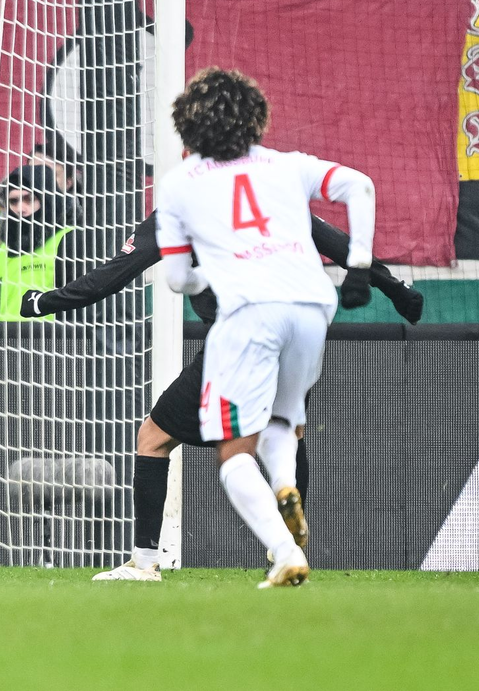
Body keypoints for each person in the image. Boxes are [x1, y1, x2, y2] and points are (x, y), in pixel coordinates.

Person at [21, 211, 423, 581]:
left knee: (154, 438)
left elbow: (111, 276)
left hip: (238, 340)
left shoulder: (179, 209)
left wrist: (44, 301)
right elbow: (337, 242)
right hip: (298, 333)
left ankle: (144, 563)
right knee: (285, 434)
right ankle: (290, 542)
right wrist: (395, 287)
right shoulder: (269, 192)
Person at [152, 67, 377, 589]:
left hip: (251, 311)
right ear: (256, 118)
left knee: (233, 452)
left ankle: (284, 551)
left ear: (187, 126)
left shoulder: (180, 183)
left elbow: (178, 279)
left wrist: (211, 274)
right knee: (283, 419)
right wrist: (359, 265)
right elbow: (360, 186)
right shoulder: (287, 164)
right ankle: (284, 483)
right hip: (313, 307)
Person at [0, 164, 80, 321]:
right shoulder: (3, 242)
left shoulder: (68, 239)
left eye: (29, 199)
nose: (21, 208)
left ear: (46, 199)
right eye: (14, 201)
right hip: (1, 333)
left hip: (47, 334)